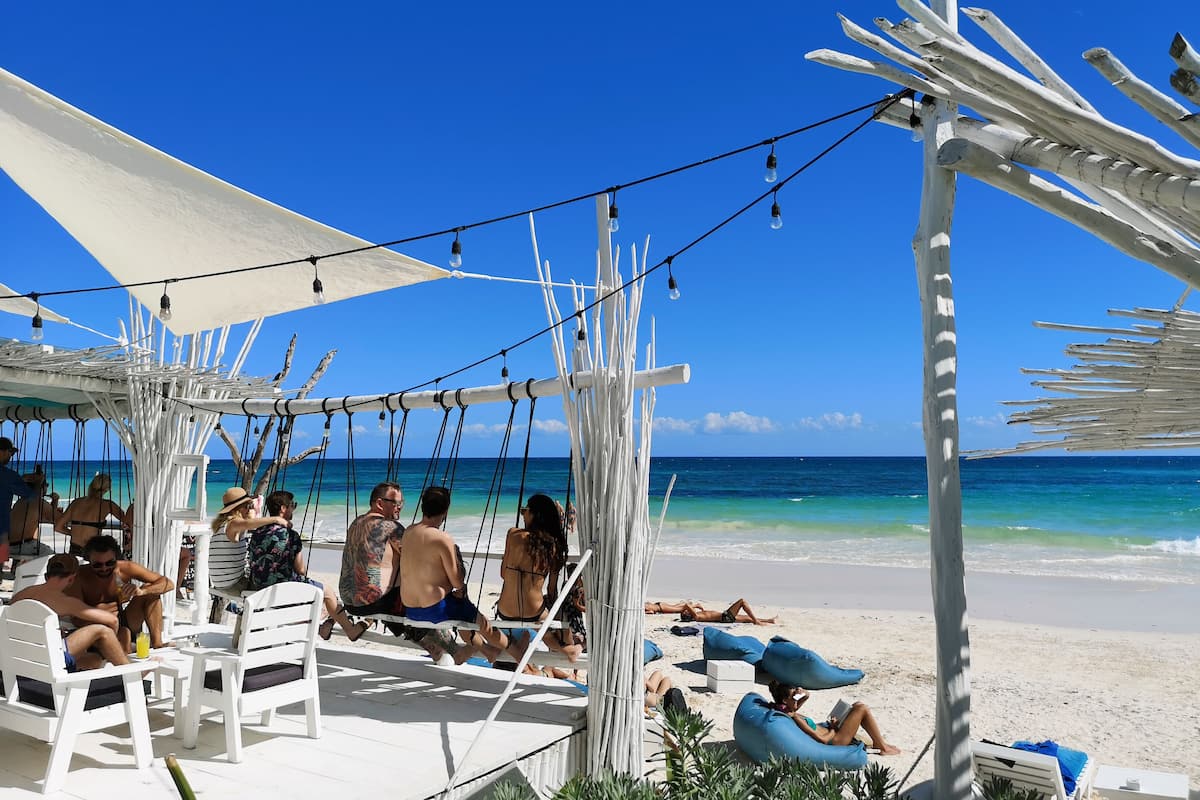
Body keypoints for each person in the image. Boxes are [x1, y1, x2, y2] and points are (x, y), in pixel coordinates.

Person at [337, 481, 456, 660]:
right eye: (396, 503)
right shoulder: (391, 527)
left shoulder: (356, 522)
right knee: (417, 587)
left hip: (349, 602)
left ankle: (433, 647)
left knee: (395, 580)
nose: (400, 507)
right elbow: (416, 559)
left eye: (401, 503)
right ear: (379, 503)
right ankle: (450, 645)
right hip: (374, 602)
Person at [399, 486, 510, 663]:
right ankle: (510, 648)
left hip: (411, 609)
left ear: (423, 506)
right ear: (445, 510)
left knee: (460, 606)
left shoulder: (409, 532)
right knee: (477, 618)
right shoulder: (442, 538)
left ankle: (486, 651)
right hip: (434, 611)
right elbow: (457, 581)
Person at [248, 489, 369, 641]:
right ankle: (350, 629)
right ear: (283, 509)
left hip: (259, 585)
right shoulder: (291, 535)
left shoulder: (257, 532)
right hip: (282, 587)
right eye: (292, 505)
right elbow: (301, 570)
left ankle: (322, 626)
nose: (294, 508)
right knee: (328, 592)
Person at [497, 493, 581, 661]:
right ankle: (570, 648)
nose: (522, 515)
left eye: (524, 511)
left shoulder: (513, 534)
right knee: (556, 627)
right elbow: (552, 590)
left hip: (505, 610)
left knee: (544, 626)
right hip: (533, 611)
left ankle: (568, 649)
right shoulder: (554, 546)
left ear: (534, 514)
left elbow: (503, 574)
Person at [12, 553, 131, 670]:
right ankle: (130, 674)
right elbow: (113, 620)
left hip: (19, 656)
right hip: (46, 659)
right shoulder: (65, 601)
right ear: (72, 579)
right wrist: (111, 646)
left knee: (93, 660)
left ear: (47, 576)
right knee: (102, 631)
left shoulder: (22, 594)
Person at [65, 534, 174, 651]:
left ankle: (157, 644)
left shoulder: (126, 568)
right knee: (124, 635)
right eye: (97, 565)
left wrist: (142, 591)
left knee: (150, 592)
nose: (104, 568)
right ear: (88, 560)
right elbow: (76, 617)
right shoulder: (79, 576)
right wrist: (103, 619)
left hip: (124, 621)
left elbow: (168, 584)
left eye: (109, 563)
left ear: (116, 558)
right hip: (95, 626)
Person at [767, 680, 901, 755]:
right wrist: (833, 728)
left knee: (856, 705)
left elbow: (806, 695)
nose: (797, 699)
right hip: (835, 740)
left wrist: (801, 692)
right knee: (862, 708)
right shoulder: (795, 718)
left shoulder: (789, 710)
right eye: (794, 697)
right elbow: (823, 740)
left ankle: (879, 742)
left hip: (833, 733)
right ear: (785, 701)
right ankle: (882, 747)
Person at [209, 487, 288, 595]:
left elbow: (251, 524)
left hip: (222, 583)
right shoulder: (233, 523)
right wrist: (276, 519)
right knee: (274, 588)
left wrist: (253, 513)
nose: (248, 509)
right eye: (247, 506)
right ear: (237, 509)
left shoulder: (223, 525)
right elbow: (249, 524)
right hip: (234, 584)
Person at [55, 473, 129, 556]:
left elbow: (58, 527)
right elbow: (127, 520)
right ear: (107, 489)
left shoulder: (76, 502)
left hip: (74, 549)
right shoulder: (107, 505)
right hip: (92, 550)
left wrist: (74, 533)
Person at [0, 435, 37, 570]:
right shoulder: (8, 475)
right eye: (10, 452)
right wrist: (38, 483)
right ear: (2, 451)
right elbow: (30, 496)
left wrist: (20, 480)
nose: (11, 456)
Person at [9, 467, 61, 559]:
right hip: (22, 546)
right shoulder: (38, 501)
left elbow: (43, 516)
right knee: (54, 558)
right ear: (41, 486)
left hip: (10, 545)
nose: (47, 487)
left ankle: (18, 564)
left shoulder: (20, 501)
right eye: (46, 485)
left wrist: (55, 502)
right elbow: (57, 519)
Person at [645, 598, 776, 625]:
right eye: (685, 613)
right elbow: (686, 605)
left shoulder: (697, 615)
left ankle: (769, 620)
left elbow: (686, 606)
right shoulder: (696, 617)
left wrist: (697, 608)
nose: (685, 611)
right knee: (742, 602)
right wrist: (695, 606)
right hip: (725, 617)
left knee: (746, 618)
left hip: (725, 617)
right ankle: (757, 621)